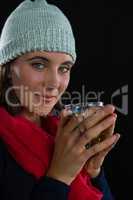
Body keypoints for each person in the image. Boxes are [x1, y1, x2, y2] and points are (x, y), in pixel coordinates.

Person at [0, 0, 120, 199]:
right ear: (8, 68)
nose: (55, 83)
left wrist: (93, 172)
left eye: (64, 68)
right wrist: (59, 176)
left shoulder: (64, 131)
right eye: (38, 64)